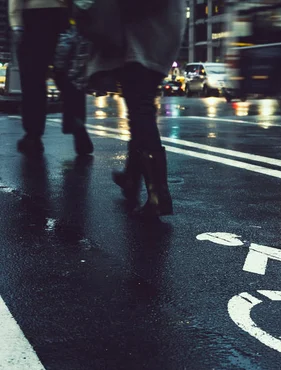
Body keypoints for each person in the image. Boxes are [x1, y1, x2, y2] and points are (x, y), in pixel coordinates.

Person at [88, 1, 186, 218]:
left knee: (140, 109)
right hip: (160, 35)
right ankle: (131, 178)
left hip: (145, 38)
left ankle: (157, 195)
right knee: (139, 108)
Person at [8, 0, 93, 155]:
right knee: (68, 74)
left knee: (33, 78)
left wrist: (16, 23)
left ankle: (33, 136)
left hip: (34, 15)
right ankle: (77, 125)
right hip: (63, 14)